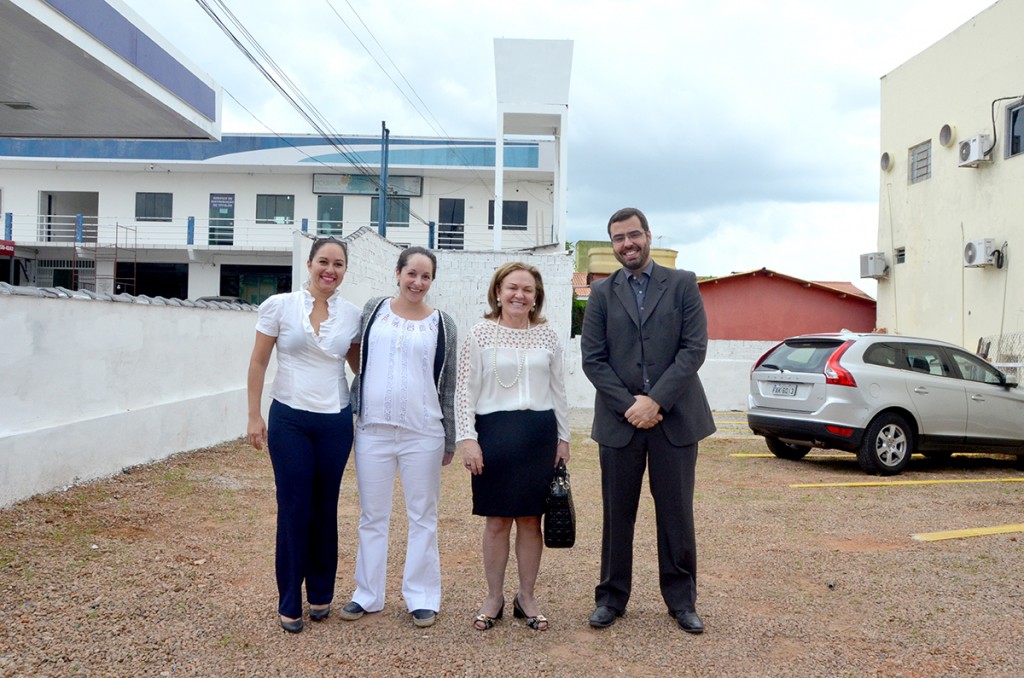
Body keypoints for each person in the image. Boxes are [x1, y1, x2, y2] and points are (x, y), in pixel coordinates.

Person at [581, 207, 716, 634]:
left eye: (633, 235)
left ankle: (681, 601)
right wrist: (631, 406)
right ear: (613, 245)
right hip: (620, 423)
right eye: (618, 238)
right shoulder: (602, 294)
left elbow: (693, 350)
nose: (627, 244)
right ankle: (611, 598)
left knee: (676, 514)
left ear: (649, 236)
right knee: (617, 514)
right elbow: (593, 360)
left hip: (675, 420)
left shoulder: (682, 284)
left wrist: (655, 401)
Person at [337, 246, 458, 628]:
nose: (417, 282)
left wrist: (451, 437)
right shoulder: (374, 309)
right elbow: (354, 351)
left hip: (423, 432)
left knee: (422, 515)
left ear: (431, 281)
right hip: (372, 430)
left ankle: (422, 596)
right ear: (398, 273)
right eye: (412, 274)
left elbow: (449, 382)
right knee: (372, 516)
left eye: (425, 277)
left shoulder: (443, 323)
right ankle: (367, 594)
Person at [246, 237, 361, 634]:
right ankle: (289, 599)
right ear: (310, 264)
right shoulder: (279, 306)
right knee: (294, 507)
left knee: (325, 507)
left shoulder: (352, 316)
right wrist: (253, 416)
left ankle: (322, 593)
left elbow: (362, 365)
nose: (330, 270)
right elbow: (259, 362)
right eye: (324, 262)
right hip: (289, 418)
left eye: (339, 264)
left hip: (334, 420)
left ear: (345, 271)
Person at [456, 262, 571, 632]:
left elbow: (559, 391)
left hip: (539, 433)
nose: (519, 295)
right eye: (512, 288)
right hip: (493, 433)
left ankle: (527, 597)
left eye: (527, 289)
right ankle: (494, 597)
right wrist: (468, 438)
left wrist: (564, 438)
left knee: (530, 521)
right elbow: (465, 390)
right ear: (498, 292)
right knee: (496, 521)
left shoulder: (548, 337)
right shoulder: (479, 333)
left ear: (536, 297)